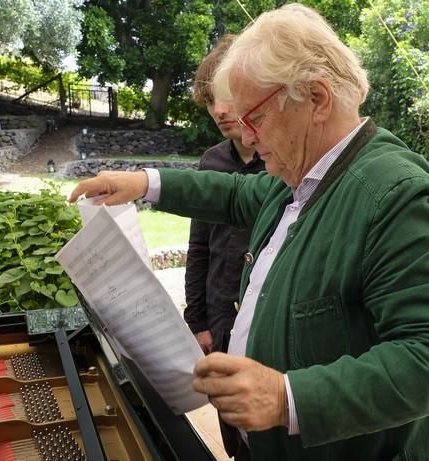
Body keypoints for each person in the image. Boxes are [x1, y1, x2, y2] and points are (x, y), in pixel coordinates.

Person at [69, 4, 429, 460]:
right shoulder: (297, 177)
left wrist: (287, 397)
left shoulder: (399, 197)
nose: (245, 137)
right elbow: (231, 194)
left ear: (316, 99)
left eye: (255, 119)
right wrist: (144, 184)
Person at [186, 33, 264, 461]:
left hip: (265, 317)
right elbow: (200, 248)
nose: (219, 111)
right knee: (233, 433)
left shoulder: (282, 159)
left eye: (230, 97)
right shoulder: (211, 161)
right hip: (218, 314)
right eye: (212, 99)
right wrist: (197, 319)